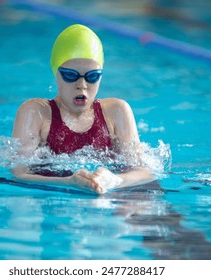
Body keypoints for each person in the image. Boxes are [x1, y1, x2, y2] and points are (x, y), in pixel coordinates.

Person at [12, 24, 154, 194]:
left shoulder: (116, 112)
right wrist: (68, 182)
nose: (82, 85)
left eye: (92, 77)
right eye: (70, 76)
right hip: (53, 197)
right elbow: (18, 174)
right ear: (55, 73)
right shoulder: (36, 112)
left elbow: (144, 171)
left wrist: (115, 180)